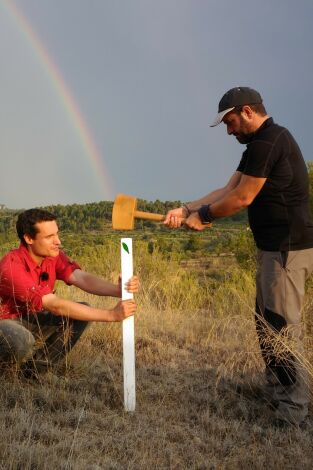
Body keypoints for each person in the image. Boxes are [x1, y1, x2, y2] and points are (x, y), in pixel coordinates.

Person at [164, 86, 313, 427]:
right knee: (266, 325)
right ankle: (278, 394)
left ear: (247, 111)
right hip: (272, 249)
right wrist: (186, 208)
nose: (229, 131)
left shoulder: (268, 141)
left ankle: (293, 412)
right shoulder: (256, 146)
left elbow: (243, 198)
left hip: (287, 249)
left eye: (230, 122)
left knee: (281, 328)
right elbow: (228, 190)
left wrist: (205, 217)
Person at [0, 208, 138, 378]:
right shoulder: (11, 266)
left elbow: (82, 278)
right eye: (49, 237)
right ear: (28, 238)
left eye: (56, 234)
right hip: (7, 323)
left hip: (34, 319)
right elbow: (55, 305)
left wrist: (118, 290)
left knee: (80, 314)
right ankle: (5, 376)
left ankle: (34, 373)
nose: (58, 241)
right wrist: (111, 315)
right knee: (20, 338)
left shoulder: (53, 256)